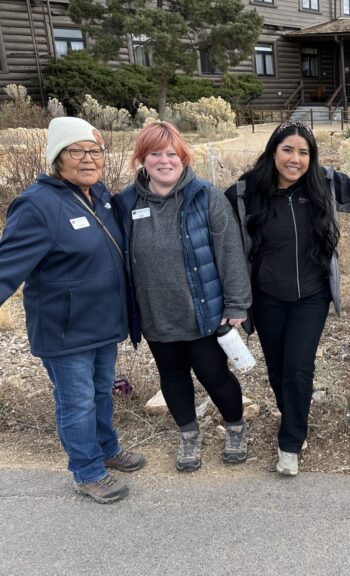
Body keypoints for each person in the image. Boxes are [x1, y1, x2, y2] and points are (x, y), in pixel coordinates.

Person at [226, 120, 350, 477]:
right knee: (277, 370)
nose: (295, 159)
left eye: (304, 152)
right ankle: (295, 419)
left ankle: (289, 442)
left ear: (311, 158)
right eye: (288, 150)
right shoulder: (244, 193)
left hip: (311, 296)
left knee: (298, 369)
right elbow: (218, 233)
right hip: (266, 297)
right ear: (273, 151)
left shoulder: (325, 184)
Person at [0, 117, 145, 503]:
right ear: (56, 158)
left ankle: (106, 448)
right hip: (64, 330)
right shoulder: (37, 205)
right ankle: (87, 471)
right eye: (75, 151)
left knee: (100, 392)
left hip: (102, 323)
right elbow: (6, 268)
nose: (87, 159)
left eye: (94, 150)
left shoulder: (99, 196)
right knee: (76, 401)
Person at [115, 122, 251, 472]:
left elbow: (230, 252)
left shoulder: (206, 196)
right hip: (156, 314)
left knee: (214, 375)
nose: (164, 161)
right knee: (172, 377)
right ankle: (188, 435)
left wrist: (236, 303)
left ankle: (236, 427)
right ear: (142, 160)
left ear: (183, 157)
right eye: (155, 154)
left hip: (203, 312)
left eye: (171, 153)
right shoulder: (126, 203)